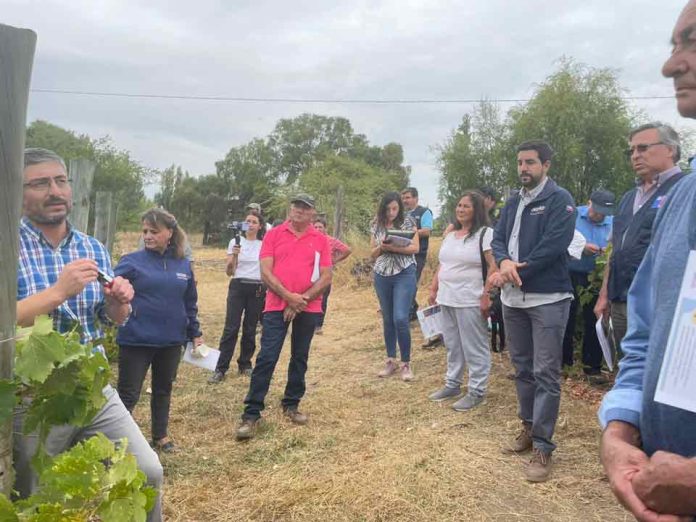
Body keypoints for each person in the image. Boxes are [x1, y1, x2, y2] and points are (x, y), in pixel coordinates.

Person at [14, 148, 163, 521]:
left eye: (61, 181)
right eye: (40, 183)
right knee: (36, 497)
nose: (55, 190)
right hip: (32, 398)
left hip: (93, 389)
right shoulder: (6, 247)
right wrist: (57, 293)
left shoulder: (90, 247)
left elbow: (109, 317)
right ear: (16, 193)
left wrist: (120, 302)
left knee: (147, 472)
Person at [597, 5, 696, 519]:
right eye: (674, 44)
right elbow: (648, 331)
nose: (671, 65)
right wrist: (619, 428)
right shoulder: (680, 200)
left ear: (668, 152)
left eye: (693, 41)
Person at [490, 140, 576, 483]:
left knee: (546, 373)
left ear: (546, 165)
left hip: (548, 299)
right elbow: (497, 240)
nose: (524, 168)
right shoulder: (513, 202)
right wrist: (504, 261)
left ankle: (543, 445)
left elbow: (552, 247)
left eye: (530, 162)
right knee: (522, 369)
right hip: (513, 301)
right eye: (520, 163)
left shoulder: (560, 200)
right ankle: (527, 428)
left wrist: (513, 270)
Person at [235, 194, 332, 440]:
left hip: (307, 307)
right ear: (290, 209)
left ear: (313, 213)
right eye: (296, 205)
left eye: (305, 207)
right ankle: (252, 413)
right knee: (267, 356)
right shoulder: (274, 234)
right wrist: (289, 297)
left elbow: (326, 276)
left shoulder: (320, 239)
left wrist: (301, 301)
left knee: (300, 356)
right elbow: (265, 271)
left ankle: (291, 403)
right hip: (277, 305)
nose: (299, 210)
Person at [113, 208, 202, 454]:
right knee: (128, 394)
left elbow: (189, 302)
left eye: (154, 231)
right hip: (136, 340)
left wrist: (195, 331)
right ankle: (117, 441)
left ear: (170, 233)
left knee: (163, 389)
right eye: (145, 231)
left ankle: (160, 435)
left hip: (172, 340)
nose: (148, 236)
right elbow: (110, 287)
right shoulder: (130, 262)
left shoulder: (183, 264)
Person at [594, 123, 685, 352]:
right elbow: (615, 250)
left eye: (643, 148)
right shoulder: (627, 198)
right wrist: (605, 293)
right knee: (629, 368)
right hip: (621, 299)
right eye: (631, 151)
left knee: (659, 370)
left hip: (661, 303)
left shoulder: (684, 191)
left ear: (670, 150)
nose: (635, 155)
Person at [427, 191, 497, 411]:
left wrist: (486, 294)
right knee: (453, 344)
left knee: (474, 345)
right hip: (447, 297)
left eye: (466, 206)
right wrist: (434, 288)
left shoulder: (485, 234)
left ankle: (477, 390)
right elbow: (443, 265)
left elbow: (493, 266)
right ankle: (453, 384)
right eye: (458, 205)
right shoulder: (450, 235)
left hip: (470, 298)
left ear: (477, 210)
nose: (460, 209)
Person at [562, 190, 615, 379]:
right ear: (589, 202)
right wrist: (582, 248)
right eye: (597, 210)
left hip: (595, 278)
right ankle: (563, 362)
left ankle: (592, 366)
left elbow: (614, 248)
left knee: (594, 319)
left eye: (604, 213)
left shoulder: (613, 222)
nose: (600, 215)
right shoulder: (572, 214)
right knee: (565, 316)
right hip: (568, 272)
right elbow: (560, 239)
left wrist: (604, 252)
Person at [209, 211, 266, 383]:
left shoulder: (263, 244)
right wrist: (234, 255)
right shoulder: (235, 242)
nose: (250, 224)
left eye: (254, 222)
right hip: (238, 285)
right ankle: (221, 368)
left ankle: (245, 364)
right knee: (231, 327)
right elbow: (229, 272)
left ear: (260, 226)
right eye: (247, 221)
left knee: (249, 327)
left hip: (256, 287)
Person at [371, 192, 420, 381]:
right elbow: (372, 253)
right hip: (382, 274)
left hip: (404, 272)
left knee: (400, 317)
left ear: (400, 207)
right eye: (388, 208)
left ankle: (406, 363)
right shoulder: (376, 225)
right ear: (382, 208)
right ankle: (391, 360)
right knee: (388, 318)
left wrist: (394, 248)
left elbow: (415, 248)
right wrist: (381, 248)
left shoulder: (407, 223)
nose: (391, 212)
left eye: (395, 208)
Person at [312, 216, 352, 334]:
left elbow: (347, 250)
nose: (318, 229)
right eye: (316, 227)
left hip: (325, 275)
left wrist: (334, 260)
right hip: (310, 275)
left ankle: (318, 326)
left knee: (322, 300)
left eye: (320, 227)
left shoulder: (330, 240)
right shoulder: (309, 240)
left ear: (325, 228)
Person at [400, 187, 433, 321]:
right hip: (402, 253)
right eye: (403, 198)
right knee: (402, 282)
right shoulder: (401, 213)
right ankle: (412, 309)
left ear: (416, 198)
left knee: (410, 282)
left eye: (407, 197)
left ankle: (407, 312)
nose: (405, 201)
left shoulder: (424, 212)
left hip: (418, 254)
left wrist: (410, 233)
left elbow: (426, 231)